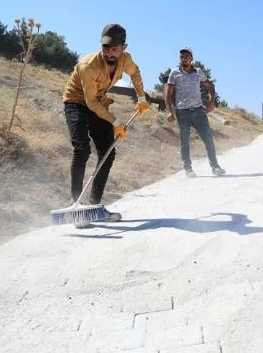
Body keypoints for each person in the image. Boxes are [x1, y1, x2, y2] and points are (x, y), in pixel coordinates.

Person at [62, 23, 150, 225]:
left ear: (123, 48)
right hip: (76, 103)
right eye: (106, 47)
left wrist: (141, 97)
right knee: (82, 149)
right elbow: (90, 103)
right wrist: (116, 121)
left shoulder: (125, 60)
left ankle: (95, 206)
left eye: (115, 49)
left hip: (99, 103)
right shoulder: (88, 65)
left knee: (108, 152)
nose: (109, 52)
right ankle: (76, 205)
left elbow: (135, 73)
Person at [164, 47, 225, 177]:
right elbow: (168, 93)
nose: (184, 59)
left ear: (192, 58)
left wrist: (211, 102)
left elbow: (210, 86)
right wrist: (170, 111)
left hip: (198, 111)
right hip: (182, 112)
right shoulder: (174, 73)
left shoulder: (198, 72)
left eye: (186, 56)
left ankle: (215, 167)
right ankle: (188, 169)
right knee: (185, 141)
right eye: (181, 57)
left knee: (208, 139)